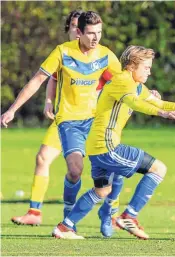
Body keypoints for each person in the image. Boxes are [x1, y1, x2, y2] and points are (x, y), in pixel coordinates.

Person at [51, 45, 175, 239]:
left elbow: (158, 102)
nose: (150, 71)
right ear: (132, 66)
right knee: (158, 169)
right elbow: (135, 103)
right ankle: (129, 216)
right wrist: (163, 114)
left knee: (102, 191)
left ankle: (65, 227)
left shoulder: (135, 85)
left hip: (96, 147)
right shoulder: (122, 81)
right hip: (107, 145)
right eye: (146, 67)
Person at [1, 11, 123, 230]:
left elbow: (124, 83)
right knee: (65, 166)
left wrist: (148, 93)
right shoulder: (62, 52)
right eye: (89, 32)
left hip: (95, 122)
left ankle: (110, 212)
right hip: (67, 121)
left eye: (99, 33)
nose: (95, 37)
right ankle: (55, 212)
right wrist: (13, 109)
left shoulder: (105, 55)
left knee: (111, 168)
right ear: (76, 31)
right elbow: (40, 80)